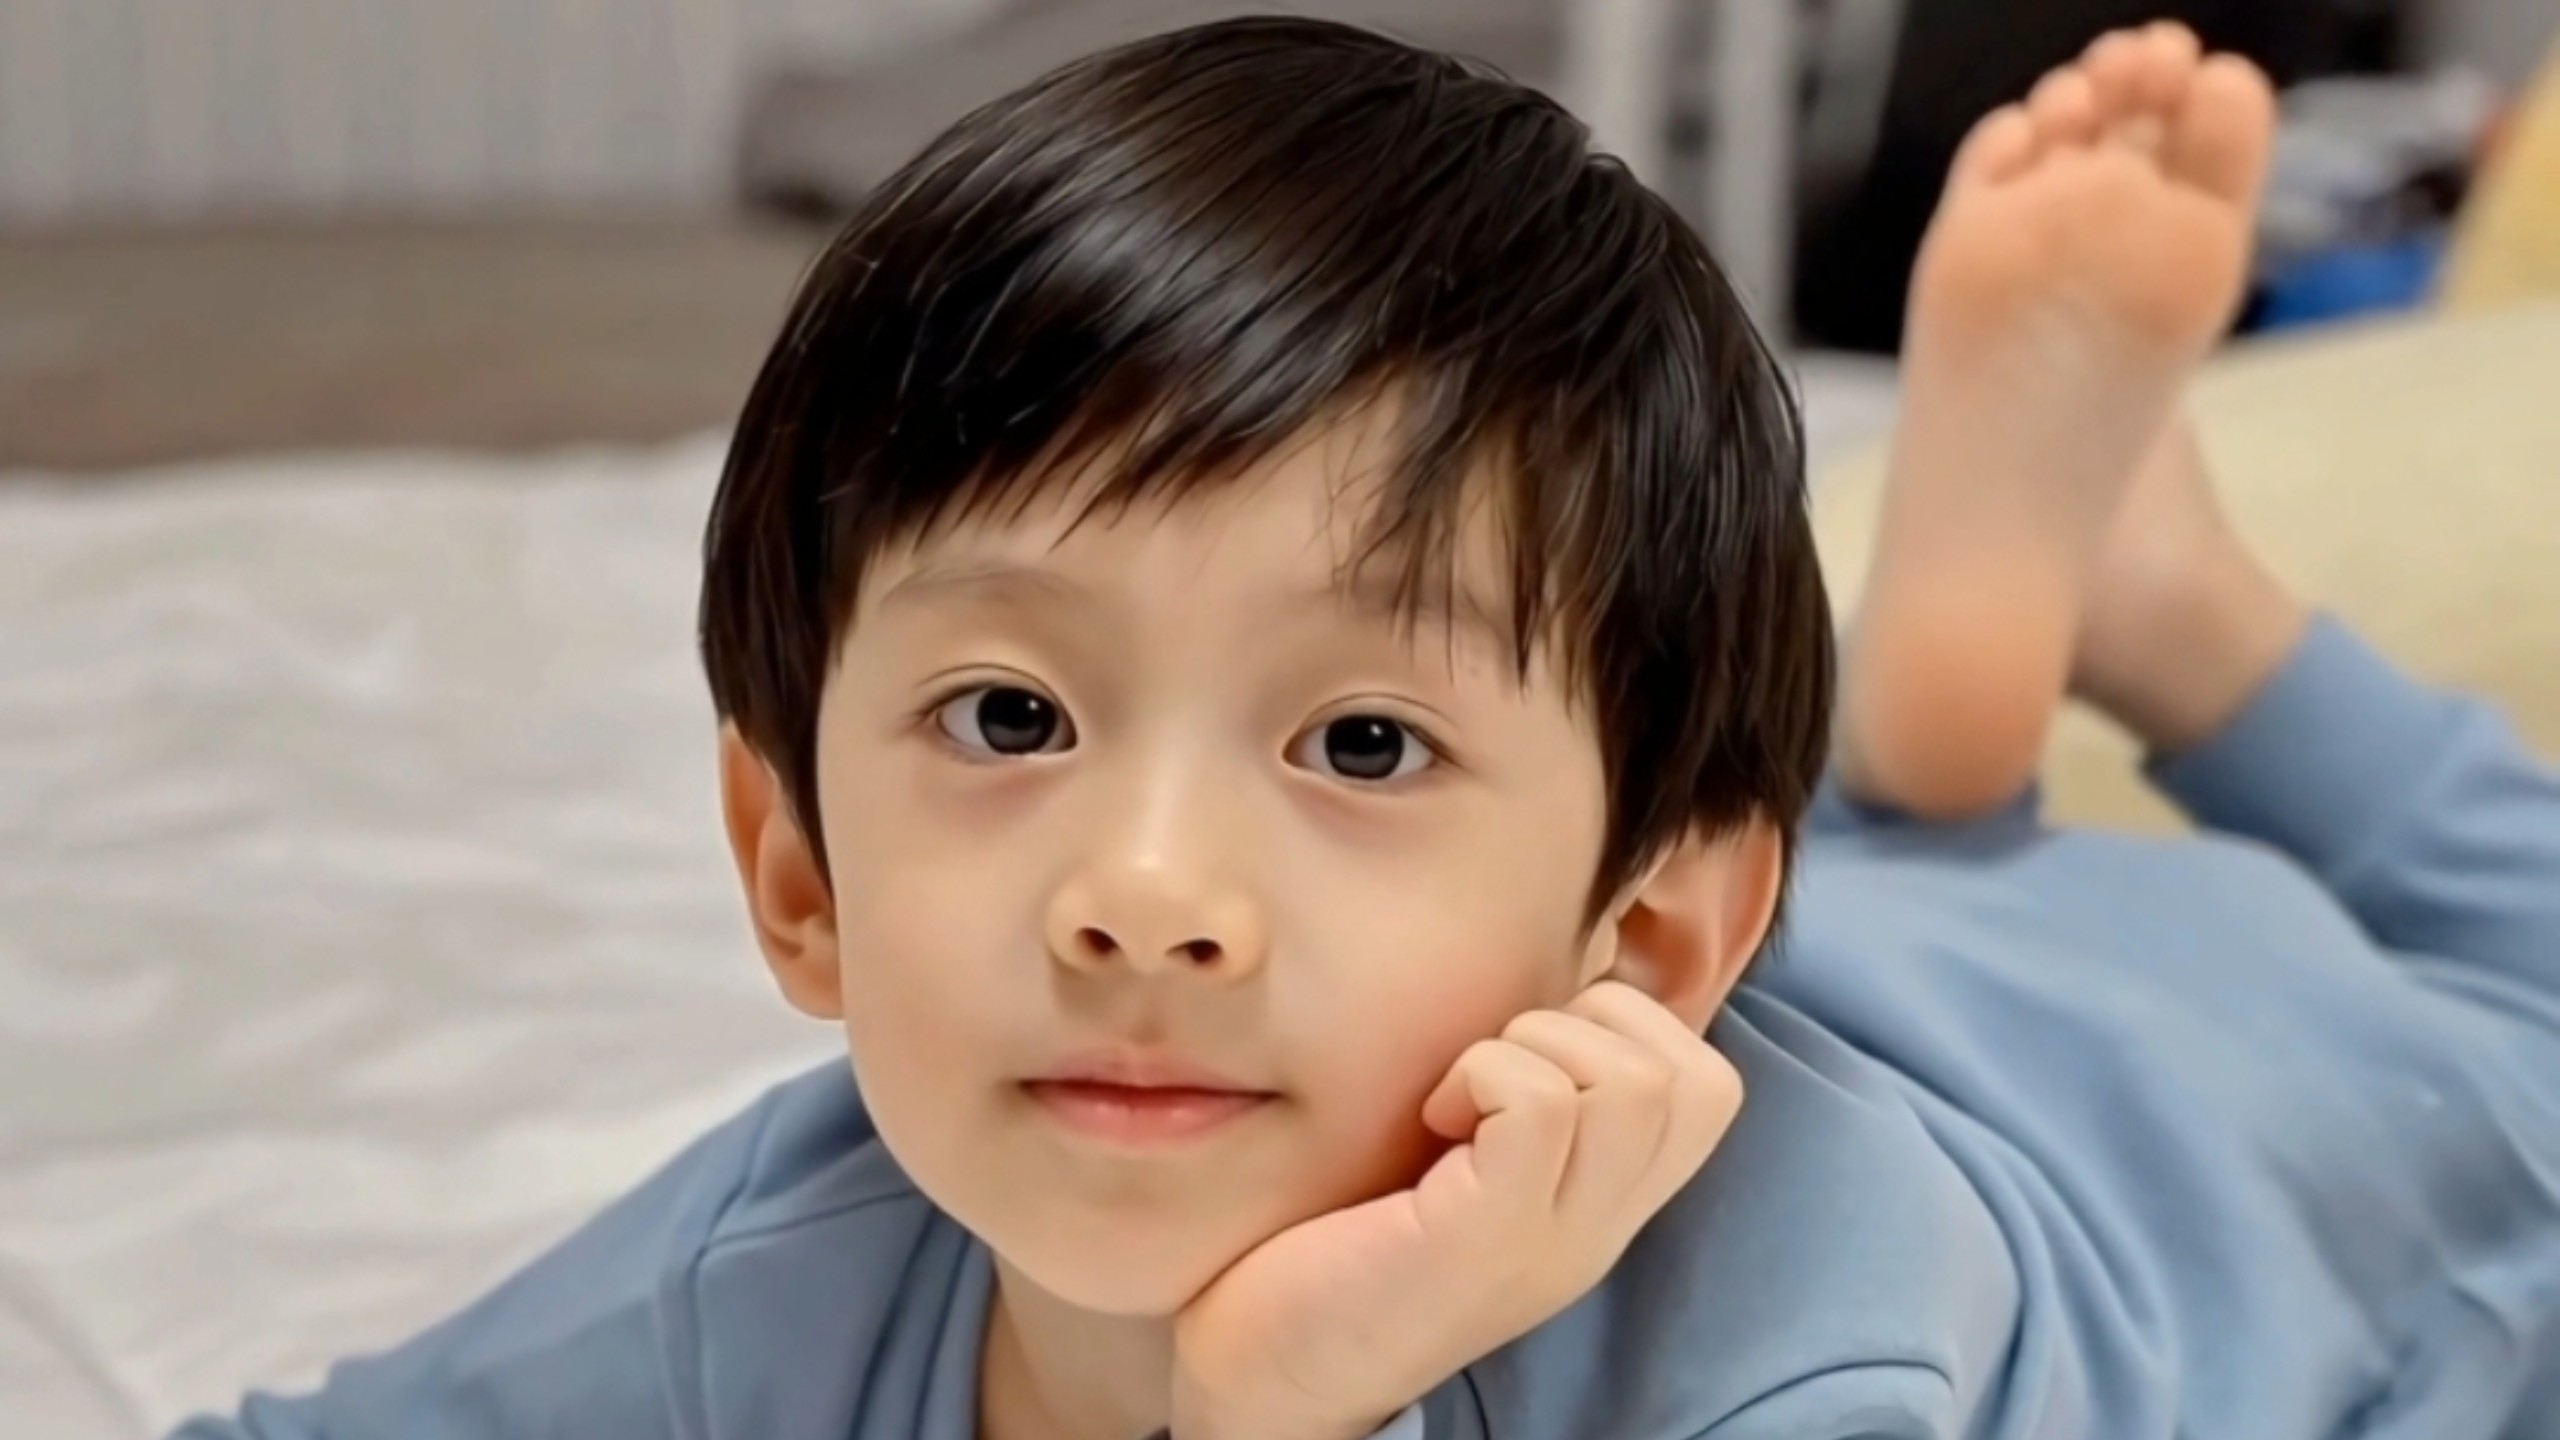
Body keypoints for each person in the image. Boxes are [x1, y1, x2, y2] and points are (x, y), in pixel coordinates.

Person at [173, 17, 2560, 1440]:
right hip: (1794, 948)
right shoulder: (787, 1264)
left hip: (2364, 1152)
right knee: (1801, 857)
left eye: (1356, 747)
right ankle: (1941, 759)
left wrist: (1300, 1410)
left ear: (1648, 952)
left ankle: (2164, 620)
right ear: (795, 874)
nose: (1142, 899)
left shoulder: (1813, 1346)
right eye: (1007, 711)